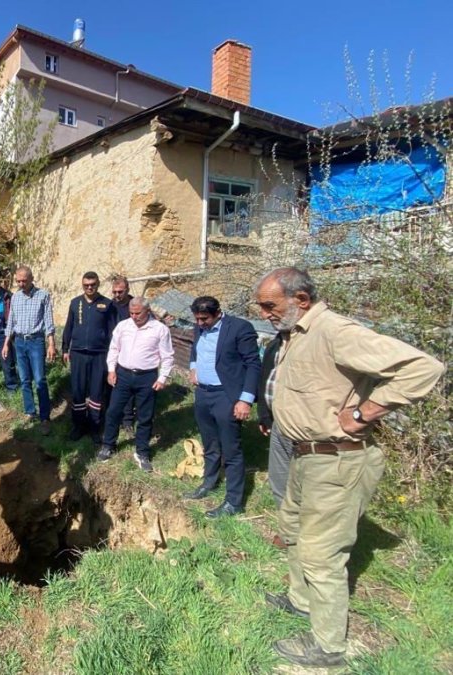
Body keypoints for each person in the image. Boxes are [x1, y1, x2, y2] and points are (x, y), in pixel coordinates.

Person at [254, 267, 443, 668]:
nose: (265, 312)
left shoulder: (335, 332)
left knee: (322, 553)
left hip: (337, 459)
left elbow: (424, 368)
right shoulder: (295, 334)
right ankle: (301, 601)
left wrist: (365, 411)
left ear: (300, 300)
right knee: (292, 528)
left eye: (270, 305)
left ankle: (327, 647)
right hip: (305, 455)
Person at [183, 296, 261, 518]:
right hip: (203, 394)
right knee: (210, 444)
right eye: (197, 319)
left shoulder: (239, 328)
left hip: (226, 395)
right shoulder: (199, 327)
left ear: (218, 312)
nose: (200, 323)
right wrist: (193, 367)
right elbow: (195, 350)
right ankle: (209, 483)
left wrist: (245, 399)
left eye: (204, 319)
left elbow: (253, 364)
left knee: (231, 450)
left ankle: (234, 502)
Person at [97, 297, 174, 471]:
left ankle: (142, 452)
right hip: (123, 375)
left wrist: (162, 378)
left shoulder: (159, 329)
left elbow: (167, 356)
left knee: (145, 416)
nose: (134, 316)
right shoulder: (123, 326)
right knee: (113, 411)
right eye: (131, 313)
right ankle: (108, 445)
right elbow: (114, 349)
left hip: (147, 377)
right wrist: (111, 370)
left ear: (147, 311)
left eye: (138, 313)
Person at [62, 272, 117, 442]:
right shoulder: (75, 303)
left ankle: (94, 427)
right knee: (78, 390)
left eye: (93, 284)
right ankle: (78, 426)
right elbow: (68, 327)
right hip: (78, 353)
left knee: (96, 391)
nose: (90, 287)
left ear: (98, 284)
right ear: (82, 285)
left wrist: (112, 356)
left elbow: (112, 333)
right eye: (86, 285)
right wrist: (65, 348)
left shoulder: (107, 304)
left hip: (99, 354)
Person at [2, 266, 56, 436]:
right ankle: (30, 411)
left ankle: (45, 417)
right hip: (19, 342)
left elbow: (48, 322)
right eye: (18, 281)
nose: (21, 283)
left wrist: (51, 344)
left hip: (36, 341)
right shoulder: (16, 297)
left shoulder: (43, 296)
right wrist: (6, 343)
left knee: (40, 380)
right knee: (24, 379)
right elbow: (10, 322)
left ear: (32, 278)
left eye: (24, 280)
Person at [257, 332, 295, 510]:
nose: (264, 315)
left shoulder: (323, 339)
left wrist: (360, 415)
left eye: (271, 307)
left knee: (304, 481)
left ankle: (303, 529)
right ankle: (287, 526)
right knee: (279, 477)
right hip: (278, 422)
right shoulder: (276, 344)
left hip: (304, 425)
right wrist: (264, 414)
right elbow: (265, 378)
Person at [110, 275, 136, 432]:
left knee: (128, 387)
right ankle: (113, 416)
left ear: (127, 290)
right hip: (113, 349)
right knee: (113, 383)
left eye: (120, 292)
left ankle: (127, 420)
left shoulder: (135, 306)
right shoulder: (110, 306)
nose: (117, 295)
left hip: (130, 351)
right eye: (114, 292)